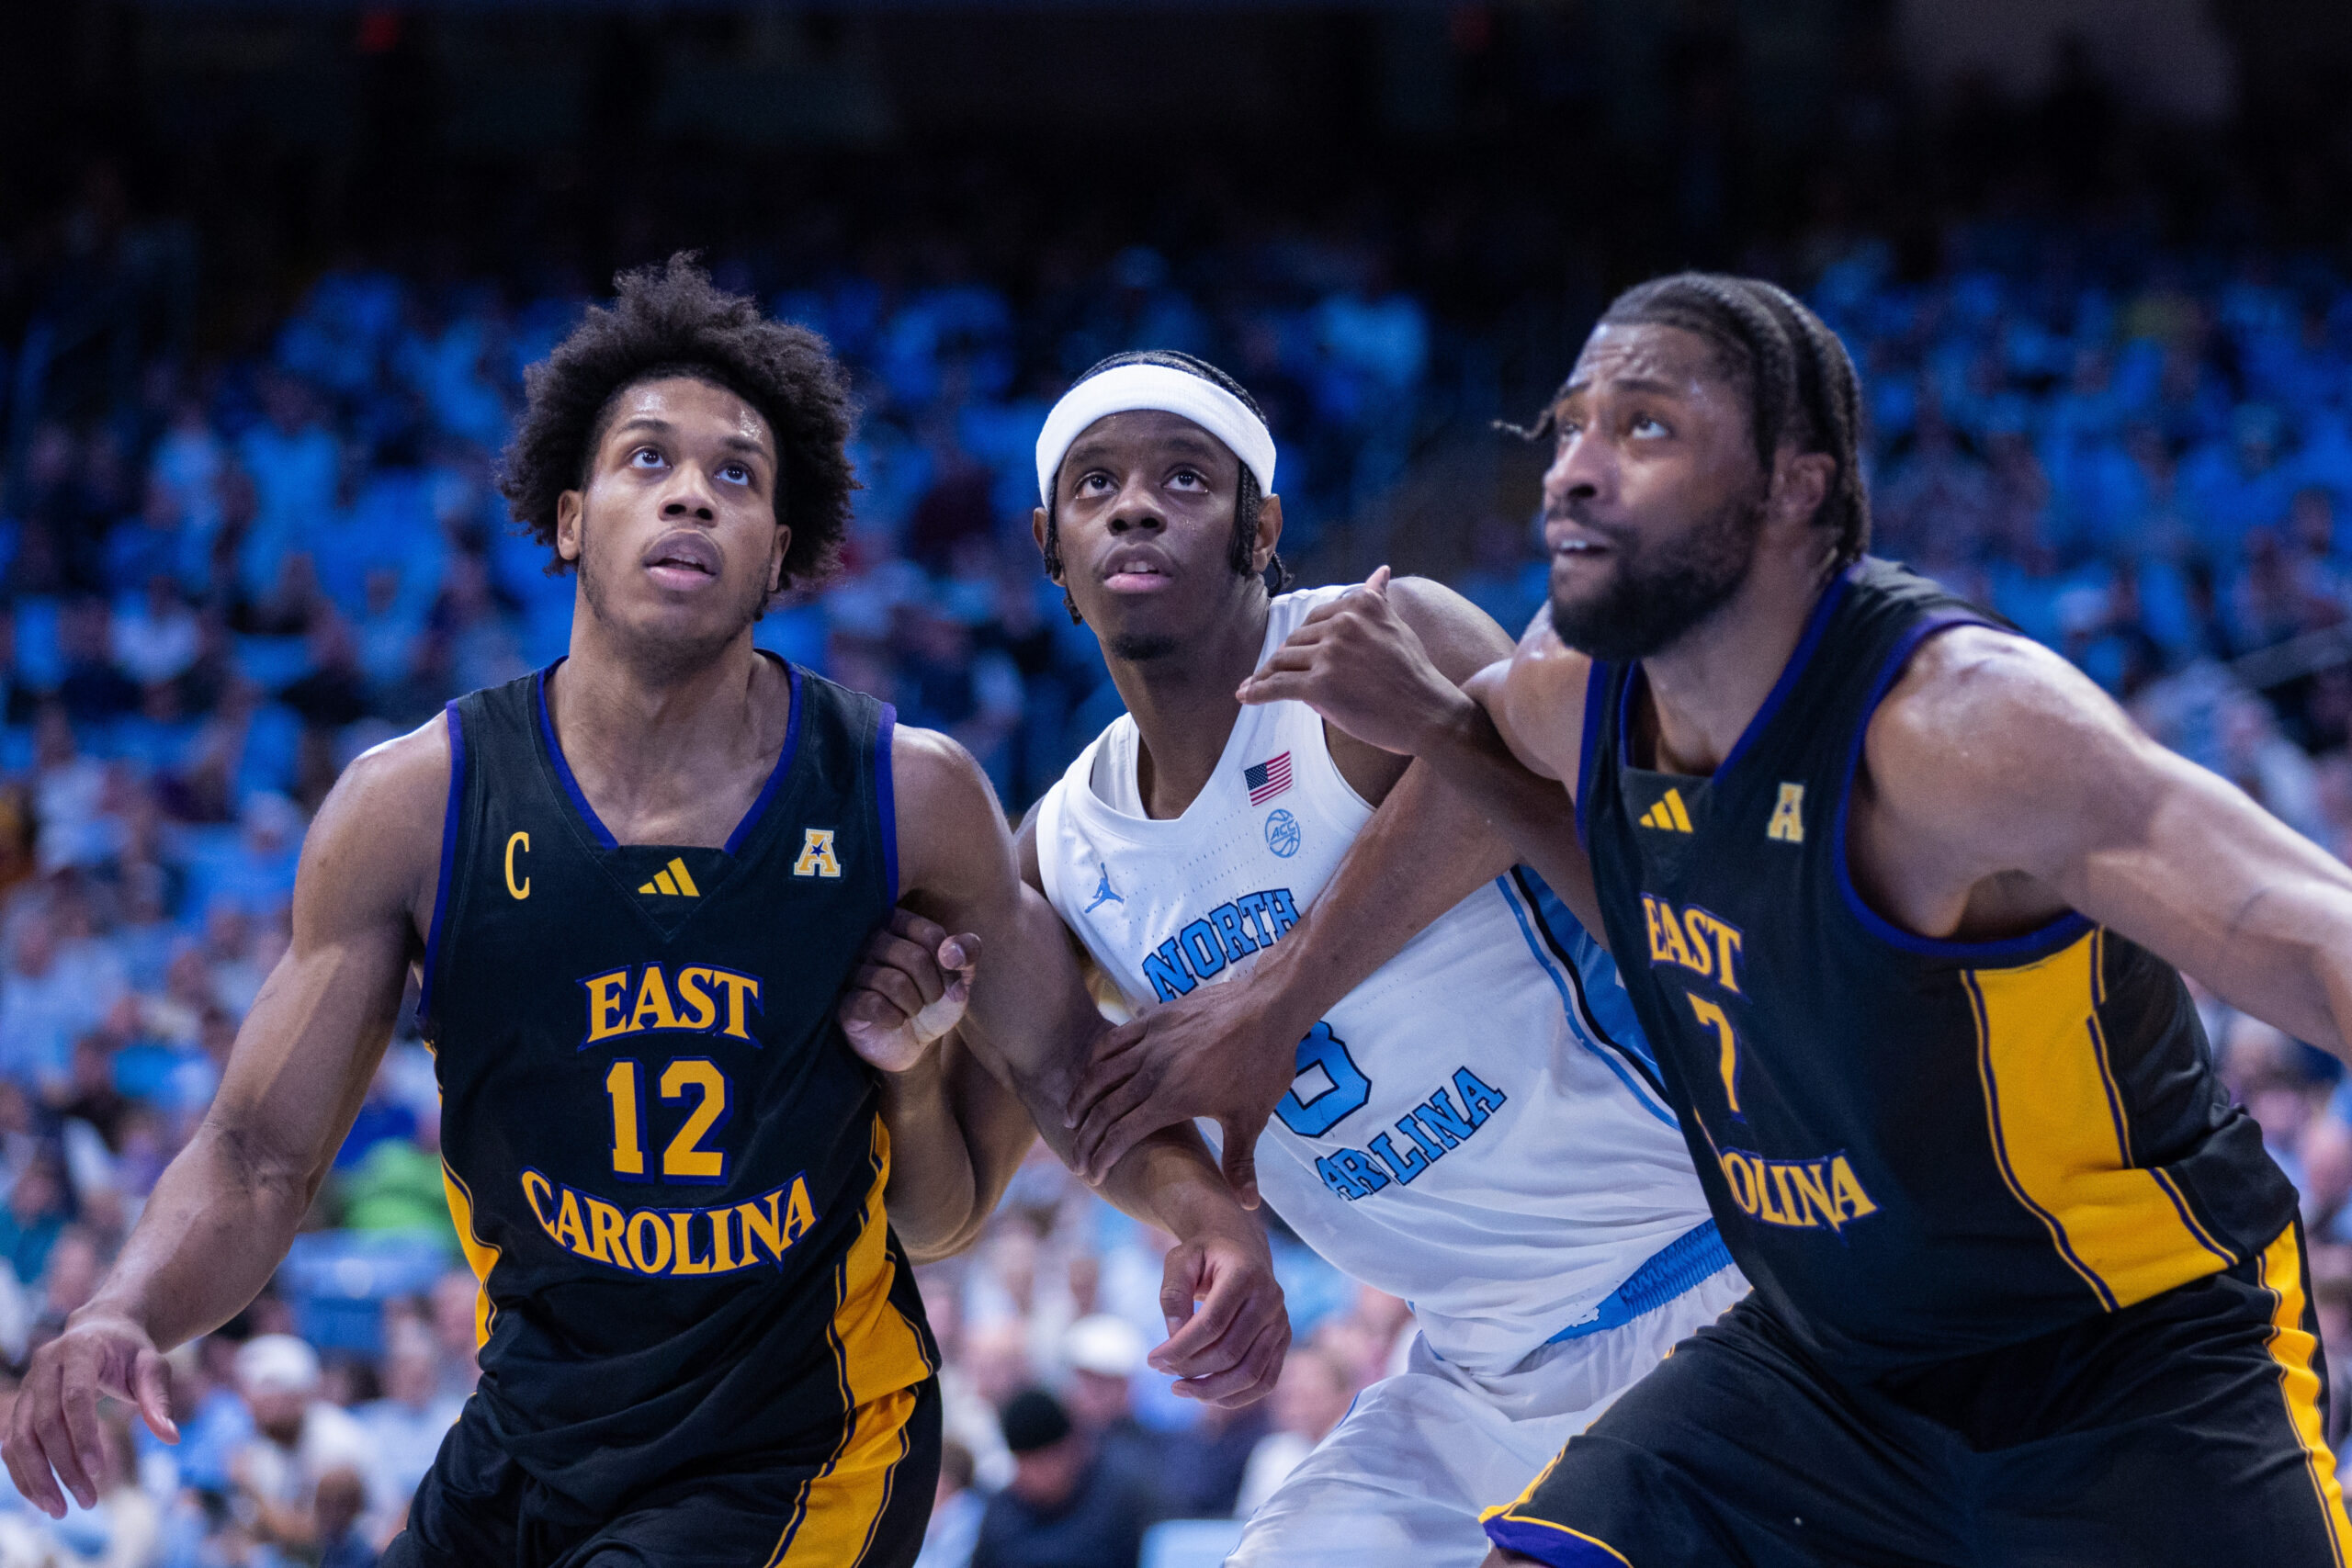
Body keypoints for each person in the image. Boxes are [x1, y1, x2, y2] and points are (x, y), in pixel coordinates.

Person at [2, 257, 1284, 1566]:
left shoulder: (907, 792)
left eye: (737, 474)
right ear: (568, 517)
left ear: (780, 550)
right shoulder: (415, 806)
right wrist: (124, 1310)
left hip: (807, 1442)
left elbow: (1064, 1065)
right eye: (647, 459)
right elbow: (258, 1151)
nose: (691, 490)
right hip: (529, 1435)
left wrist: (1205, 1214)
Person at [1216, 271, 2351, 1564]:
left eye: (1643, 427)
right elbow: (1542, 815)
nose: (1572, 470)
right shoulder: (1568, 698)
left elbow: (2313, 929)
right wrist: (1311, 938)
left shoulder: (1961, 732)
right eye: (1569, 424)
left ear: (1799, 484)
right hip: (1833, 1362)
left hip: (2126, 1354)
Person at [895, 350, 1737, 1567]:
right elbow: (1015, 1141)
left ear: (1261, 524)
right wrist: (1204, 1218)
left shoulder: (1374, 647)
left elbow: (1543, 807)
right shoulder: (1064, 848)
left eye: (1185, 477)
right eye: (1097, 484)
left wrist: (1279, 998)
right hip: (1470, 1370)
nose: (1136, 503)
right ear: (1048, 542)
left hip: (1702, 1275)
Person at [969, 1389, 1153, 1568]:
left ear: (1071, 1449)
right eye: (1026, 1464)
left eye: (1044, 1462)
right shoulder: (1000, 1515)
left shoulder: (1118, 1501)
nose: (1036, 1476)